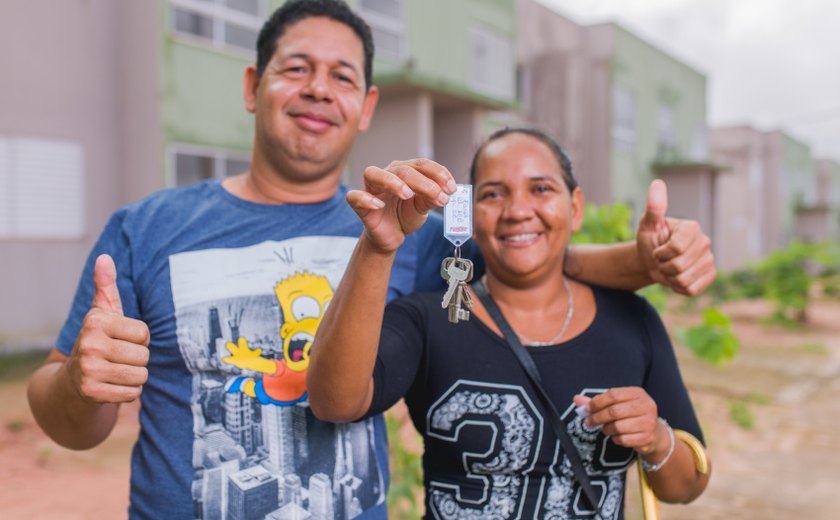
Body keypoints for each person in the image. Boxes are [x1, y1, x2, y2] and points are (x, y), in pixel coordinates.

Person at [26, 1, 713, 518]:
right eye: (296, 69)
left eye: (342, 76)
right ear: (250, 87)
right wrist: (80, 384)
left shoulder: (415, 232)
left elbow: (535, 256)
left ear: (365, 107)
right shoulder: (148, 228)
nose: (320, 89)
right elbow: (69, 425)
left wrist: (652, 260)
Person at [307, 127, 712, 519]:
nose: (517, 211)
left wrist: (658, 440)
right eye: (493, 194)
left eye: (541, 189)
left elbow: (686, 486)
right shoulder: (429, 319)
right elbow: (335, 402)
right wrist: (378, 248)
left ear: (575, 207)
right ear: (467, 213)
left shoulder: (632, 320)